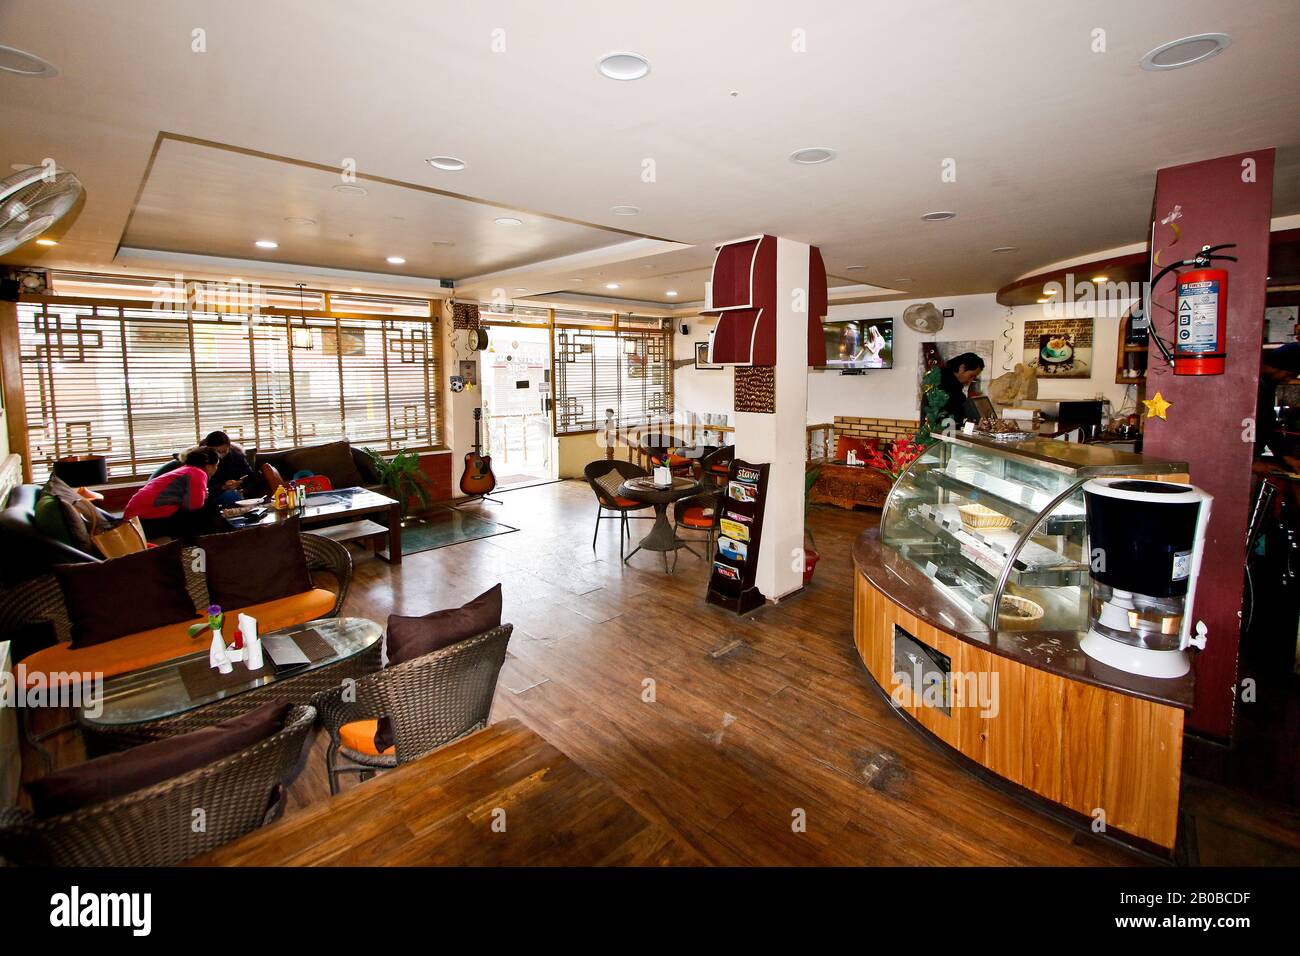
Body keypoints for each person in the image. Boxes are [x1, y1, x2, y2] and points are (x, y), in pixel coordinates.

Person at [123, 446, 228, 543]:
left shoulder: (186, 469)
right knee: (203, 514)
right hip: (144, 522)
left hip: (135, 518)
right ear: (209, 466)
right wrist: (203, 496)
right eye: (216, 465)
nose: (216, 469)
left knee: (201, 514)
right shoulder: (198, 473)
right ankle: (207, 545)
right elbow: (194, 505)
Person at [202, 430, 256, 505]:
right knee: (231, 496)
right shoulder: (202, 460)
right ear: (208, 449)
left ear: (229, 446)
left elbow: (249, 476)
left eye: (224, 451)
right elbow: (199, 489)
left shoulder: (236, 456)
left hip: (235, 491)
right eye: (217, 452)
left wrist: (240, 484)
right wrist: (222, 487)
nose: (221, 455)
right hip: (211, 495)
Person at [937, 352, 985, 429]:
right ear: (962, 368)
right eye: (971, 376)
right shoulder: (944, 386)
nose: (970, 381)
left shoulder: (948, 383)